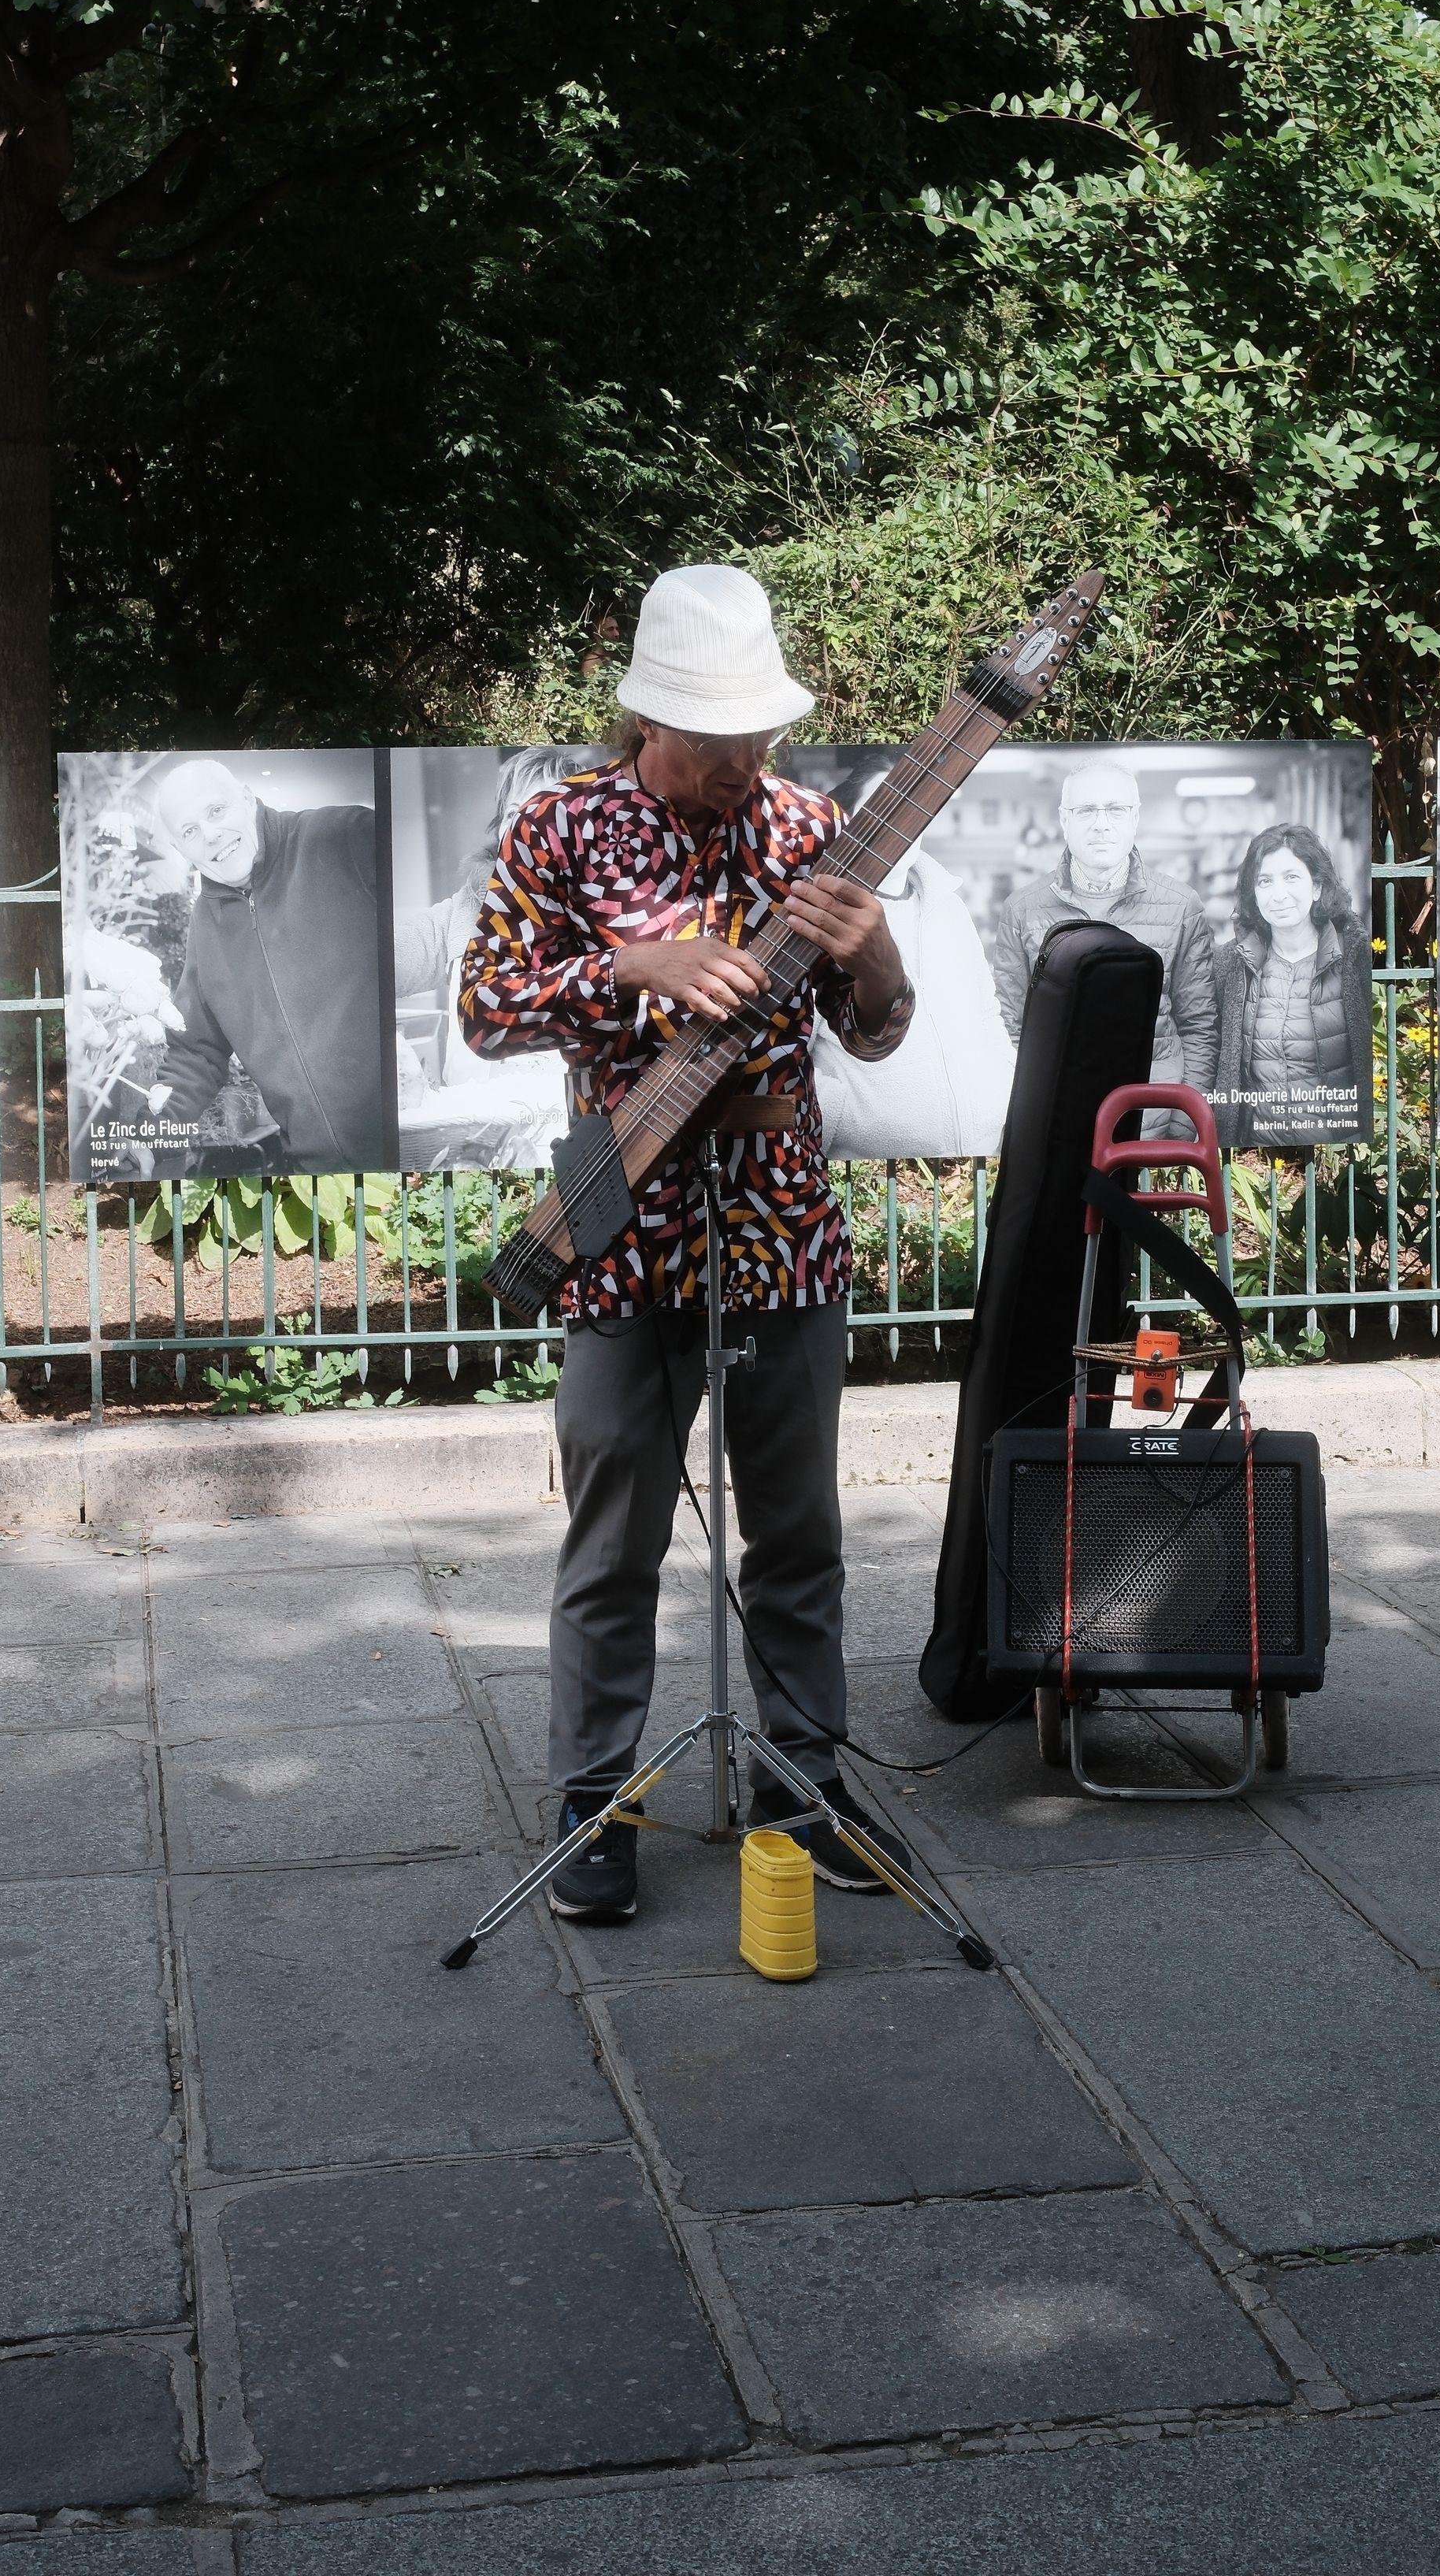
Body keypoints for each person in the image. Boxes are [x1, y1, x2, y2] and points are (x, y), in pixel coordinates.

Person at [458, 565, 918, 1922]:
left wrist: (875, 946)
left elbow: (878, 1027)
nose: (748, 760)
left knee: (798, 1536)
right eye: (724, 739)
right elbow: (487, 1003)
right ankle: (595, 1804)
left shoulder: (809, 830)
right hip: (619, 1217)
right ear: (651, 721)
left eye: (759, 733)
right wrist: (626, 970)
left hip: (781, 1216)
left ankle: (804, 1788)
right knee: (611, 1539)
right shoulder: (561, 829)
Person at [132, 758, 386, 1174]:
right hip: (315, 1172)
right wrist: (148, 1137)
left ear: (247, 799)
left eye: (216, 811)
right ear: (181, 850)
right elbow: (197, 1052)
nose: (211, 835)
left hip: (400, 1152)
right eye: (190, 831)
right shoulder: (205, 924)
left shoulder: (343, 837)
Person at [394, 748, 599, 1169]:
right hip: (473, 1157)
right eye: (513, 813)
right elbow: (369, 964)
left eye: (542, 813)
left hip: (575, 1152)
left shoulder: (610, 919)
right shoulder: (465, 911)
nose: (524, 827)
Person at [986, 759, 1219, 1131]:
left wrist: (1183, 1120)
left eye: (1115, 809)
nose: (1101, 823)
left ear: (1135, 818)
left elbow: (1199, 1025)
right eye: (1086, 810)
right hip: (1058, 1122)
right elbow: (1011, 1026)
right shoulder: (1023, 909)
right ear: (1064, 820)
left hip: (1153, 1120)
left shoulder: (1181, 906)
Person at [812, 766, 1015, 1158]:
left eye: (910, 806)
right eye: (882, 808)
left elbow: (986, 1012)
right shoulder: (832, 915)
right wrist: (837, 1123)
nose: (902, 820)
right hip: (872, 1174)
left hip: (985, 1158)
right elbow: (805, 1038)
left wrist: (1008, 1092)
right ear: (851, 826)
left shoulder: (948, 903)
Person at [1213, 824, 1374, 1148]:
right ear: (1253, 893)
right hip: (1256, 1160)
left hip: (1338, 1159)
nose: (1278, 894)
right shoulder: (1230, 964)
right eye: (1265, 881)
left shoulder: (1356, 959)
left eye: (1291, 877)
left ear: (1317, 887)